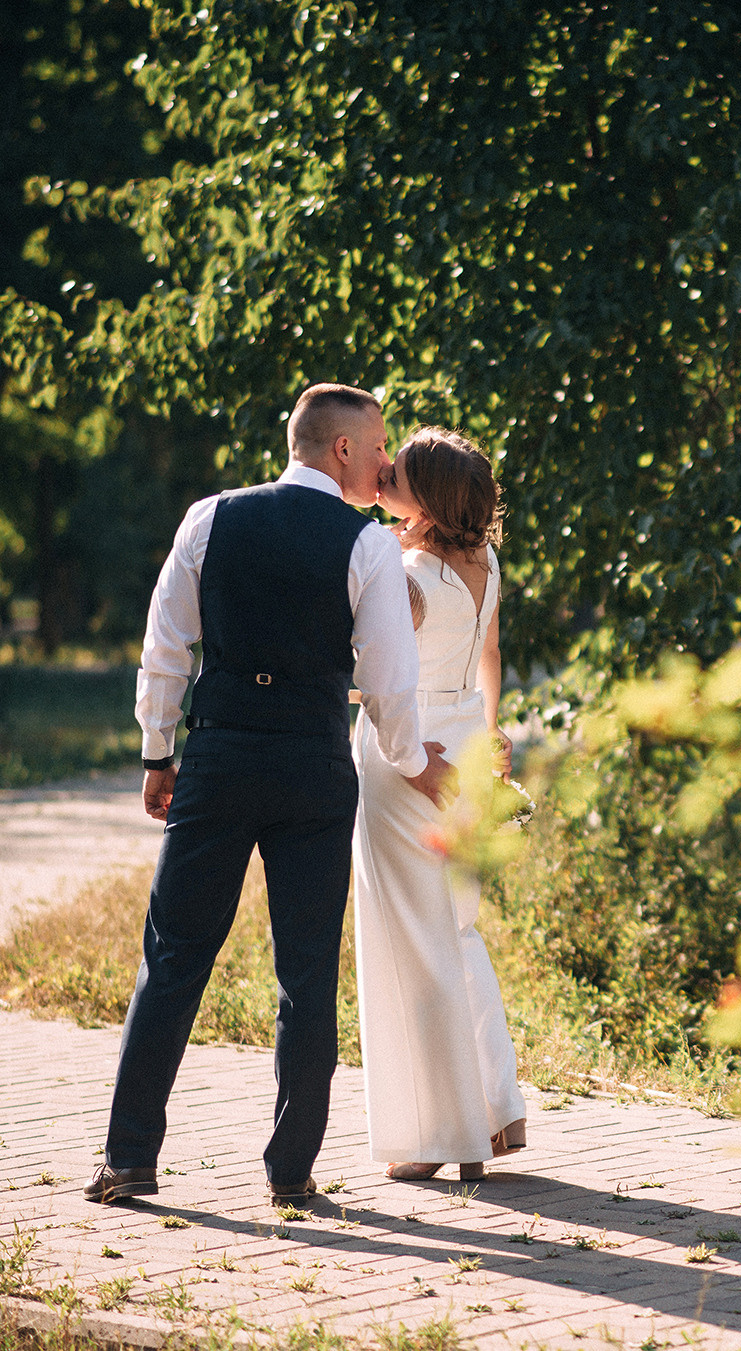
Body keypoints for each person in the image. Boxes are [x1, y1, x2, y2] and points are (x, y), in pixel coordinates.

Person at [83, 383, 454, 1207]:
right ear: (344, 450)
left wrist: (156, 751)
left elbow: (166, 642)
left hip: (218, 755)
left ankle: (129, 1156)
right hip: (314, 769)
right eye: (381, 442)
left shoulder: (209, 517)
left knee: (174, 956)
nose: (389, 458)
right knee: (306, 971)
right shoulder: (363, 549)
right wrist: (409, 757)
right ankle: (291, 1172)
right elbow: (389, 682)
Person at [353, 426, 527, 1182]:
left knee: (406, 943)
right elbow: (488, 655)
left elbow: (367, 675)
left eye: (400, 475)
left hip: (410, 756)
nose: (384, 475)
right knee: (457, 931)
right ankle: (494, 1109)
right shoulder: (484, 562)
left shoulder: (410, 577)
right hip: (465, 743)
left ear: (425, 500)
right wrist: (491, 734)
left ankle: (432, 1132)